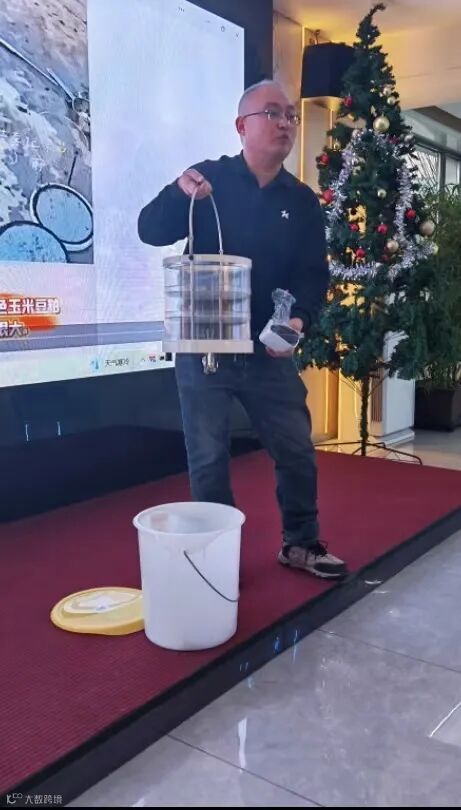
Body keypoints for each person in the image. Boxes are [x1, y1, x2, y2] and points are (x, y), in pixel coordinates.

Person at [138, 80, 347, 579]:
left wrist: (298, 320)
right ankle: (217, 557)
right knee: (208, 459)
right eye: (272, 113)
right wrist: (177, 193)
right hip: (204, 347)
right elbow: (150, 230)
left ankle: (301, 543)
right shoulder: (207, 179)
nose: (285, 123)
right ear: (241, 126)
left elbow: (312, 275)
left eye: (290, 115)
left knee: (296, 448)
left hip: (267, 350)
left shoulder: (301, 201)